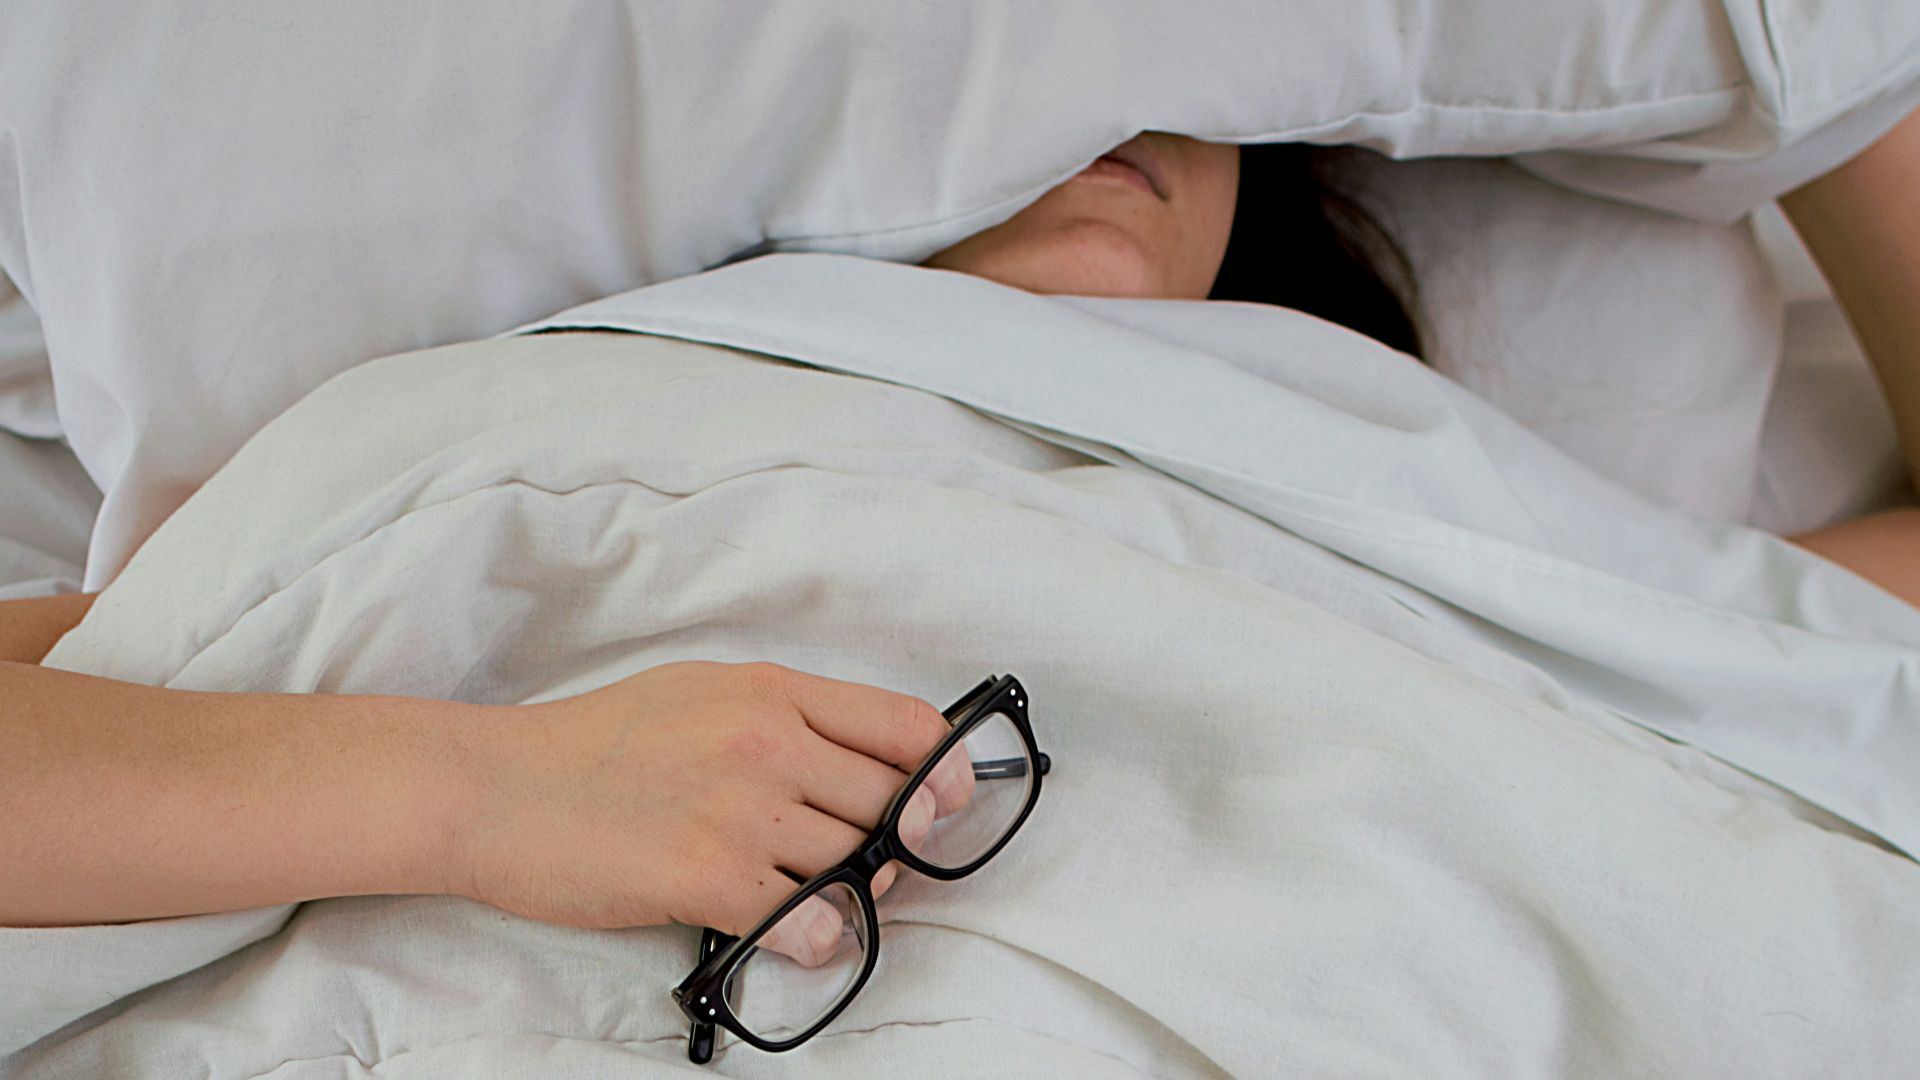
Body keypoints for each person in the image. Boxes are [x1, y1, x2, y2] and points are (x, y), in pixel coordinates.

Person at [2, 117, 1915, 958]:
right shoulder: (560, 432)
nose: (1099, 110)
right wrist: (482, 793)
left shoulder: (1422, 500)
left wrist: (1815, 68)